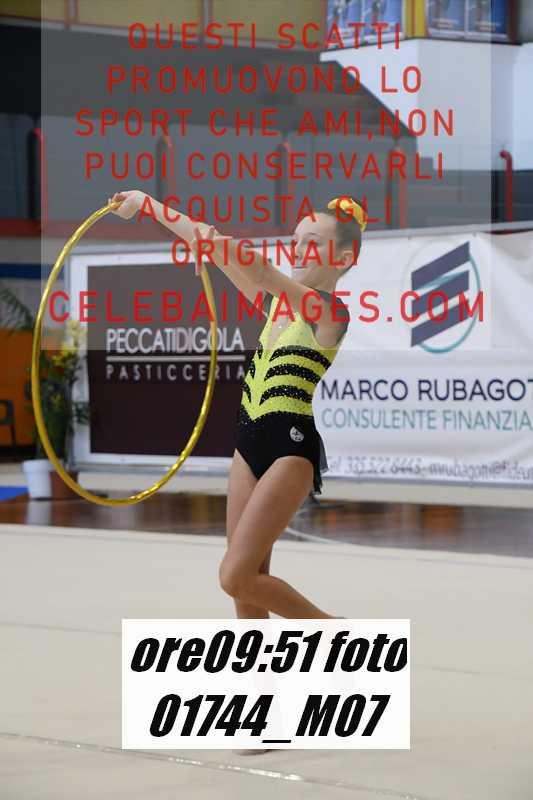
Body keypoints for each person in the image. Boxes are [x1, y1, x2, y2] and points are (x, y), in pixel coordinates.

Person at [108, 191, 365, 624]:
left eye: (313, 242)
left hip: (289, 449)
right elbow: (211, 243)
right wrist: (147, 205)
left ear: (342, 258)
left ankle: (336, 632)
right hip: (246, 448)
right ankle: (259, 668)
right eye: (296, 240)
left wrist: (208, 239)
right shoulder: (275, 306)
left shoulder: (328, 312)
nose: (299, 249)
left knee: (234, 575)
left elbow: (259, 269)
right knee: (246, 593)